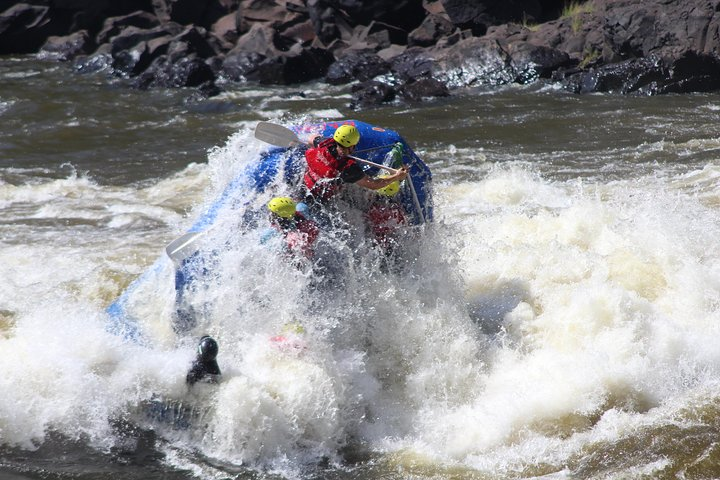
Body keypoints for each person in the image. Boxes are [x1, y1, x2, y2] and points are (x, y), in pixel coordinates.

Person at [302, 124, 409, 207]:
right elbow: (373, 184)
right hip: (321, 202)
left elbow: (311, 138)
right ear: (352, 146)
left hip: (303, 188)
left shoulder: (325, 143)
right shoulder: (348, 167)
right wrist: (397, 176)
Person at [365, 176, 407, 254]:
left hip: (375, 243)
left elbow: (366, 223)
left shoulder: (372, 209)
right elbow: (404, 225)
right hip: (393, 242)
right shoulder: (397, 210)